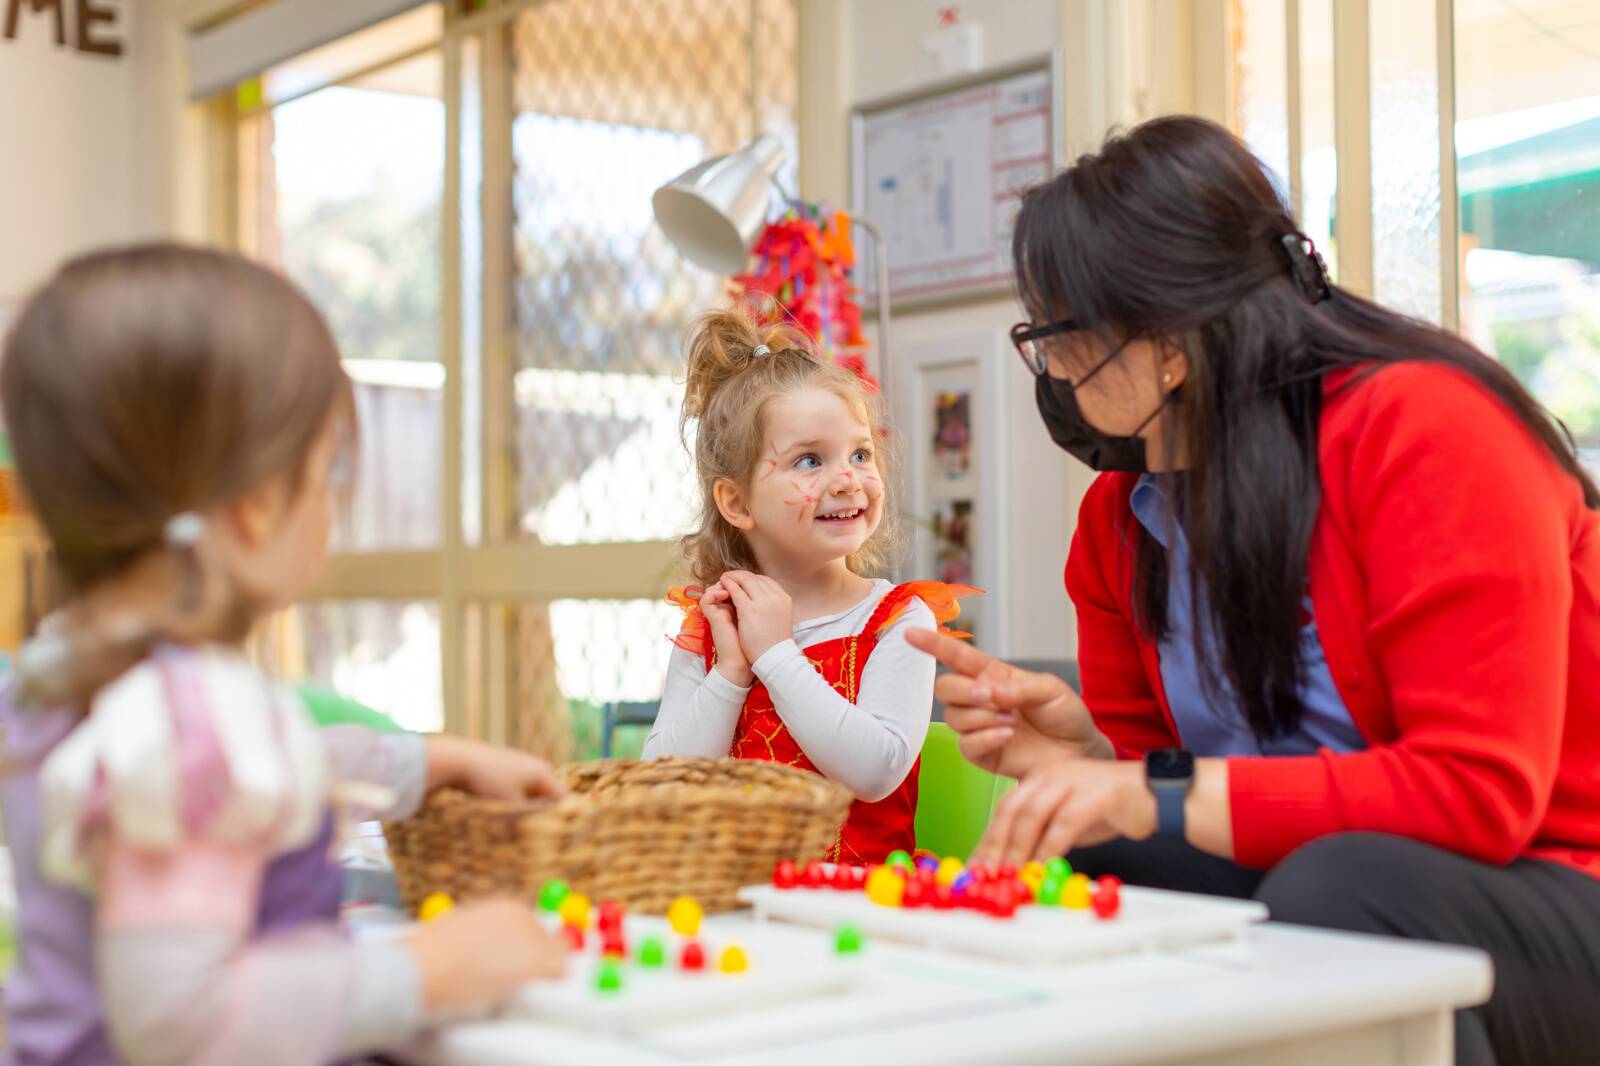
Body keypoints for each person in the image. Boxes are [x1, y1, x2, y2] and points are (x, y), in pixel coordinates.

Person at [906, 116, 1600, 1066]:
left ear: (1169, 345)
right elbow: (1183, 795)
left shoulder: (1426, 428)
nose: (1054, 371)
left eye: (1059, 336)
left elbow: (1476, 794)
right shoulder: (1119, 524)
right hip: (1355, 870)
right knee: (1103, 867)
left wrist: (1151, 791)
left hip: (1556, 878)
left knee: (1338, 898)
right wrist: (1091, 762)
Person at [0, 244, 569, 1066]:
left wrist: (427, 760)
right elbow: (181, 1022)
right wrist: (433, 967)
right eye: (324, 473)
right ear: (262, 508)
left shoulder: (59, 677)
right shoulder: (187, 720)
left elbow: (250, 777)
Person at [644, 308, 976, 863]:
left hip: (857, 917)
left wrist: (774, 653)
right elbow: (663, 792)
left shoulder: (898, 620)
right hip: (736, 911)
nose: (847, 479)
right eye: (809, 460)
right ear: (738, 502)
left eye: (860, 454)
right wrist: (730, 672)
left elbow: (874, 772)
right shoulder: (712, 629)